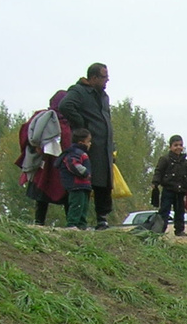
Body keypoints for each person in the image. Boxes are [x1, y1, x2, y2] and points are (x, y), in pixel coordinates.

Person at [58, 63, 115, 229]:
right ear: (94, 77)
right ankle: (77, 220)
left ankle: (102, 219)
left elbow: (106, 119)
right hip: (88, 147)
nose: (107, 80)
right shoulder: (79, 91)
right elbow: (65, 105)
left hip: (104, 147)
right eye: (104, 77)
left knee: (104, 183)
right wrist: (82, 126)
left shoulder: (104, 96)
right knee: (83, 183)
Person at [18, 90, 72, 225]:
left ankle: (72, 223)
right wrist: (35, 145)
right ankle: (39, 222)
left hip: (64, 164)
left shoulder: (71, 121)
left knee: (68, 192)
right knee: (42, 190)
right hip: (46, 162)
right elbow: (27, 132)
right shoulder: (44, 117)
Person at [150, 136, 187, 235]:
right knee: (164, 211)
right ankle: (159, 230)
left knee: (180, 212)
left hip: (180, 191)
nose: (178, 147)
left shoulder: (185, 162)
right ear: (170, 147)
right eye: (175, 145)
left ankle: (179, 230)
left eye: (180, 145)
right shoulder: (165, 159)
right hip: (168, 190)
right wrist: (155, 183)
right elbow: (158, 171)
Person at [58, 127, 93, 230]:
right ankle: (72, 224)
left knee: (84, 205)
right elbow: (73, 164)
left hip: (84, 185)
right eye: (88, 141)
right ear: (81, 142)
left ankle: (82, 225)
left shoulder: (81, 153)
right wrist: (85, 173)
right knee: (76, 204)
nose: (90, 144)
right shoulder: (75, 153)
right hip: (76, 184)